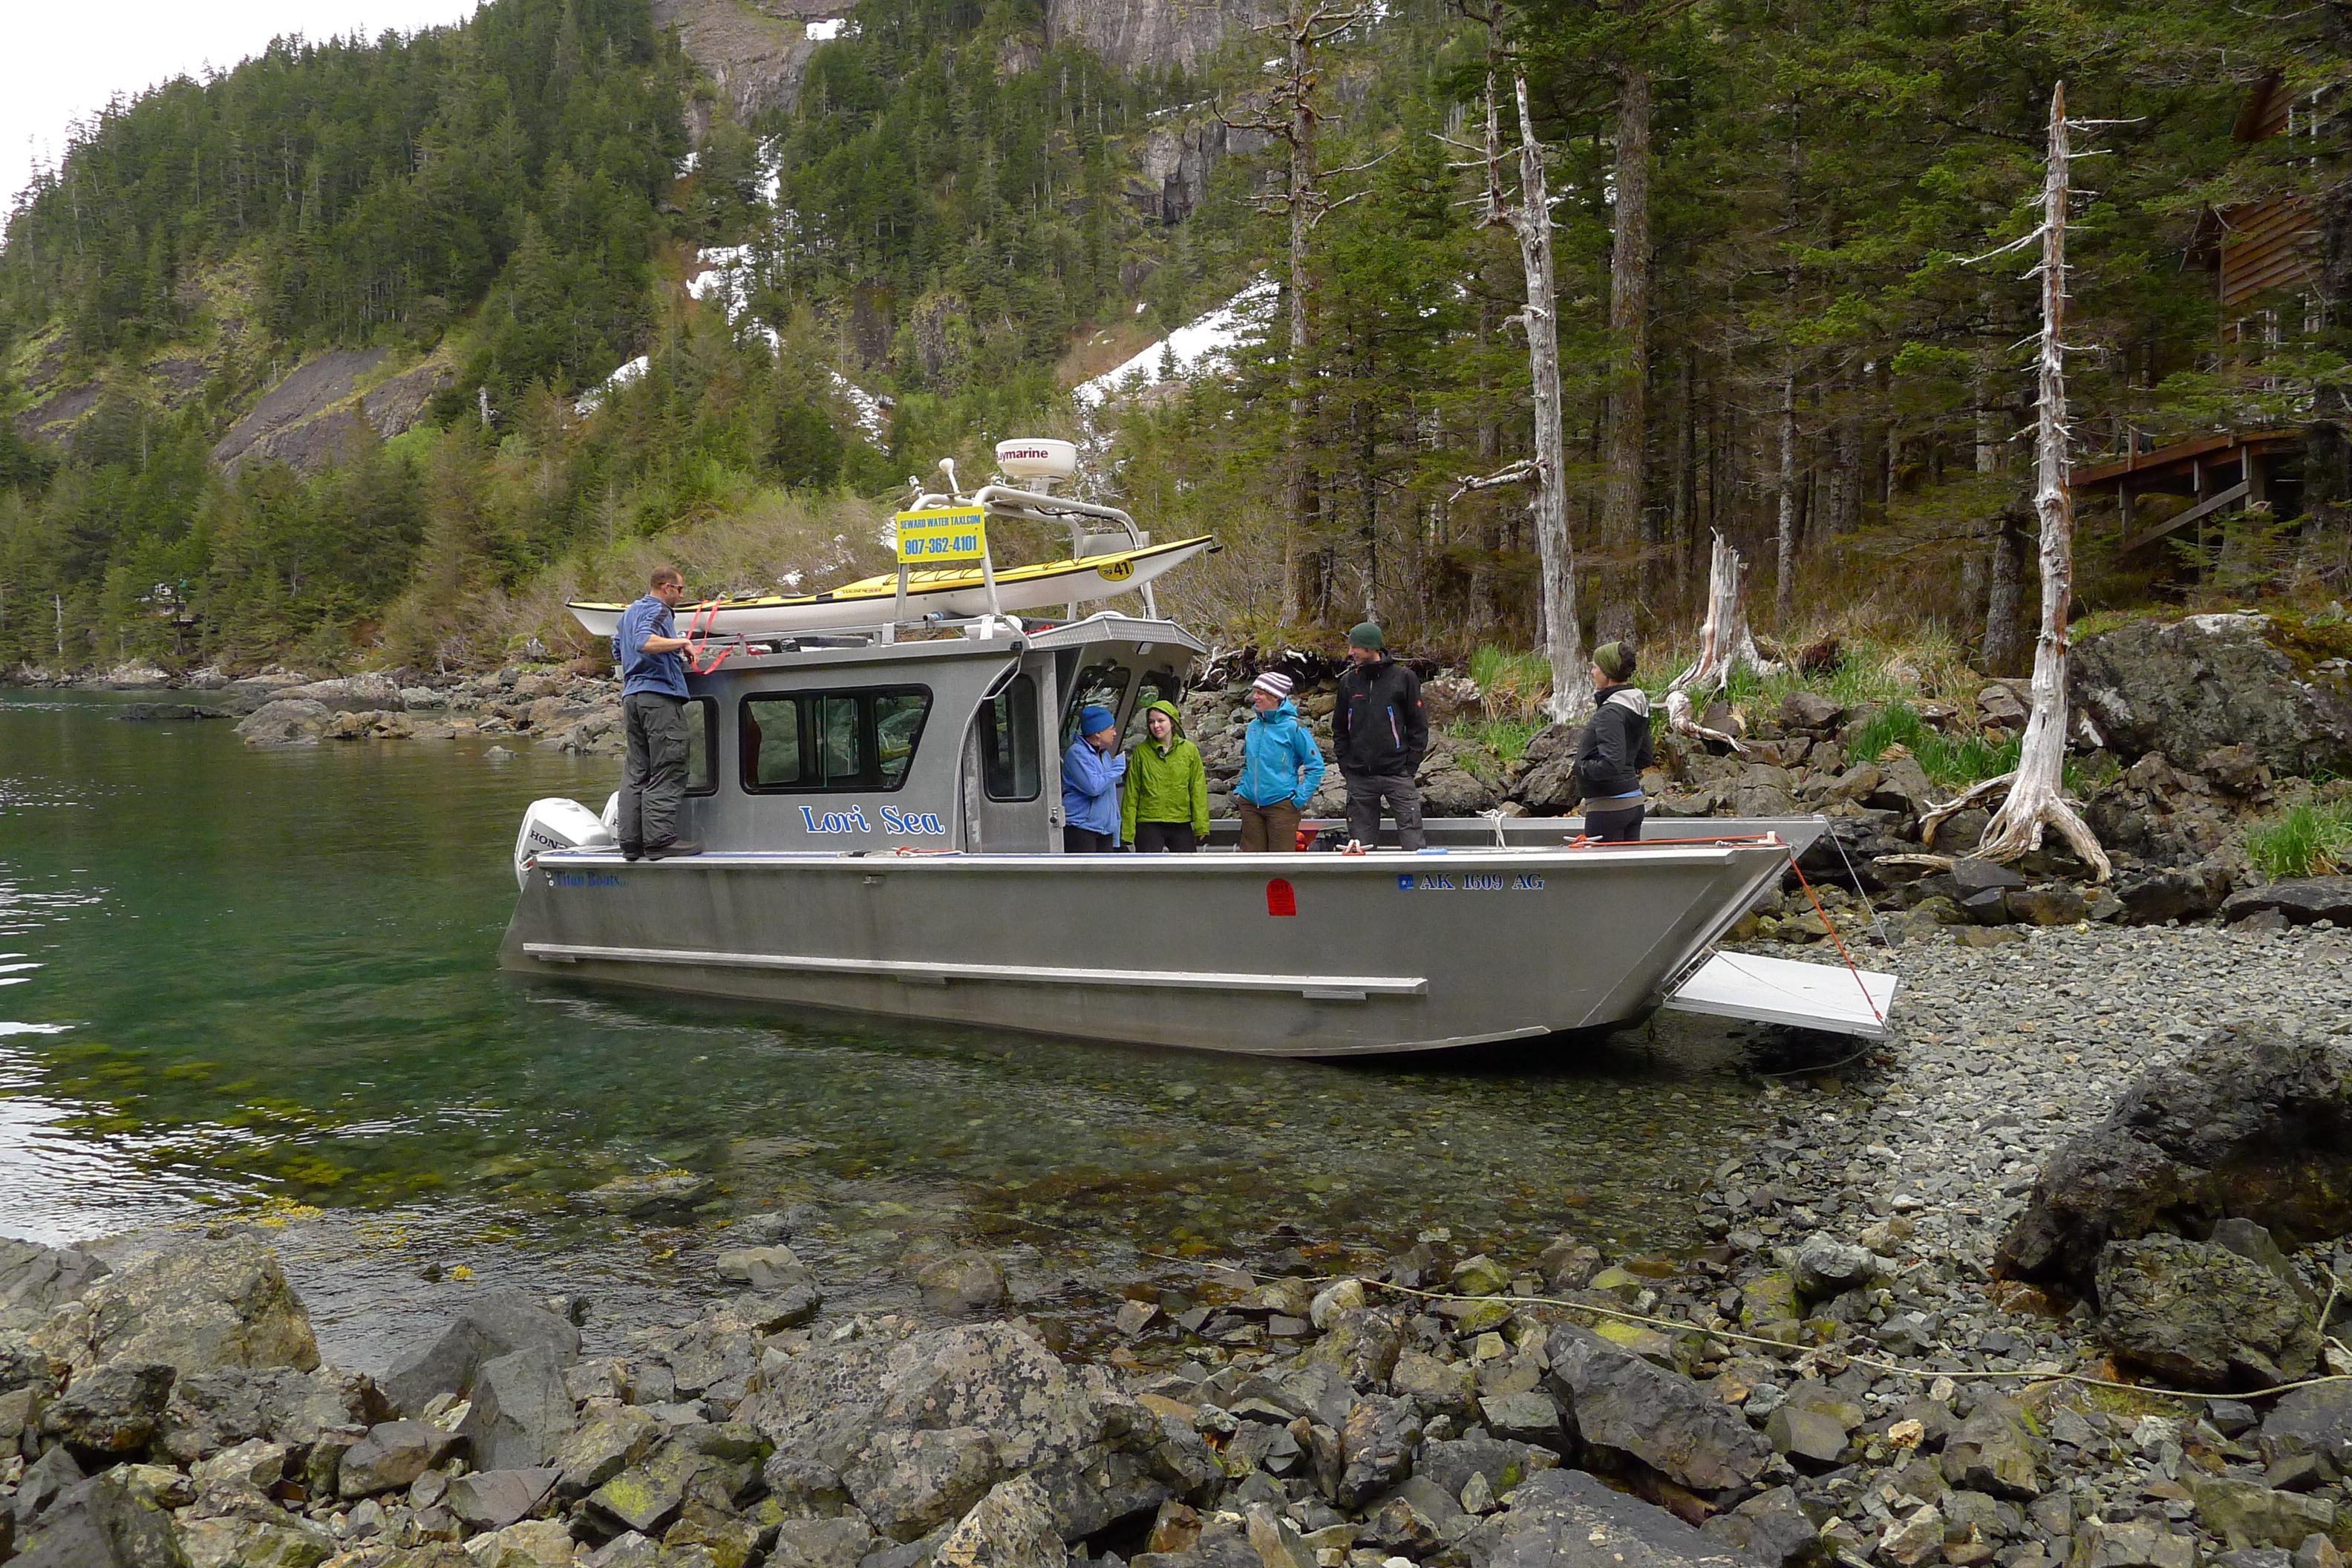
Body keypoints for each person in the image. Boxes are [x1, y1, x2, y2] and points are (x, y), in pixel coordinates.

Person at [613, 566, 702, 860]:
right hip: (659, 697)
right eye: (680, 589)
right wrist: (682, 643)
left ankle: (630, 843)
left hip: (632, 698)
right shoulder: (659, 611)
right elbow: (644, 642)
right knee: (669, 764)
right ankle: (659, 840)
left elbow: (619, 649)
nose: (681, 595)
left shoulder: (628, 614)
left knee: (637, 771)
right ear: (666, 588)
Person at [1333, 622, 1428, 851]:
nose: (1350, 652)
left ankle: (1413, 885)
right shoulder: (1348, 682)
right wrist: (1347, 767)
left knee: (1414, 844)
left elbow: (1419, 726)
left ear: (1371, 647)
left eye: (1355, 647)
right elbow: (1339, 729)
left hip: (1398, 774)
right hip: (1360, 778)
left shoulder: (1404, 678)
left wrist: (1409, 766)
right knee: (1360, 847)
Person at [1573, 640, 1654, 843]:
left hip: (1608, 810)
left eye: (1595, 667)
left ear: (1607, 673)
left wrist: (1581, 767)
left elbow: (1612, 764)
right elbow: (1645, 757)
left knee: (1602, 875)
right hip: (1633, 803)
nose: (1592, 672)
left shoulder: (1610, 712)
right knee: (1626, 875)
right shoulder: (1636, 703)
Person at [1235, 672, 1324, 852]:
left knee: (1281, 865)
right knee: (1251, 864)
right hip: (1250, 805)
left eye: (1260, 693)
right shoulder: (1253, 727)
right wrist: (1241, 790)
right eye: (1255, 692)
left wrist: (1298, 799)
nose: (1255, 697)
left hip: (1282, 806)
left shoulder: (1293, 727)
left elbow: (1316, 767)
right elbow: (1248, 763)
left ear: (1275, 696)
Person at [1121, 698, 1209, 853]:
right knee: (1148, 873)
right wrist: (1128, 831)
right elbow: (1132, 792)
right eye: (1151, 722)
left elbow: (1197, 789)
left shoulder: (1189, 750)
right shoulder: (1141, 752)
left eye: (1161, 721)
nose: (1156, 726)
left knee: (1188, 871)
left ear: (1172, 722)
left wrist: (1201, 824)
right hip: (1149, 822)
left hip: (1181, 821)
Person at [1061, 704, 1127, 852]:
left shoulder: (1104, 754)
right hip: (1082, 829)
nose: (1115, 733)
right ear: (1098, 732)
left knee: (1105, 876)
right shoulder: (1076, 754)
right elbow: (1094, 787)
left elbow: (1109, 792)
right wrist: (1118, 768)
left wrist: (1115, 830)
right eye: (1111, 729)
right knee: (1084, 876)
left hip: (1105, 830)